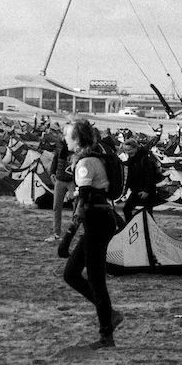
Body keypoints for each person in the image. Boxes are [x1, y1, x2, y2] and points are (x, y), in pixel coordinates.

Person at [58, 119, 122, 350]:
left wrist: (67, 236)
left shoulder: (85, 163)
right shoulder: (91, 159)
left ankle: (107, 334)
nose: (64, 138)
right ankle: (110, 315)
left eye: (67, 135)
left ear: (76, 139)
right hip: (99, 219)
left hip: (98, 220)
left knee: (95, 279)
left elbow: (83, 202)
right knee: (71, 273)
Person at [121, 135, 163, 222]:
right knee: (127, 209)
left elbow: (150, 176)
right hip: (136, 190)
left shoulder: (144, 159)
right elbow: (130, 176)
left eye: (130, 150)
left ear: (135, 148)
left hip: (147, 191)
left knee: (148, 214)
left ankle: (152, 232)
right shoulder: (131, 160)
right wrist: (125, 189)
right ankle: (131, 227)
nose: (128, 152)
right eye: (126, 150)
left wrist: (146, 191)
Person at [44, 133, 74, 242]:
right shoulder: (60, 146)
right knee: (56, 207)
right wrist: (52, 172)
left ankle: (73, 233)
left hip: (71, 181)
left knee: (77, 209)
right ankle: (56, 233)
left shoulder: (75, 148)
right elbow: (55, 159)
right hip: (60, 179)